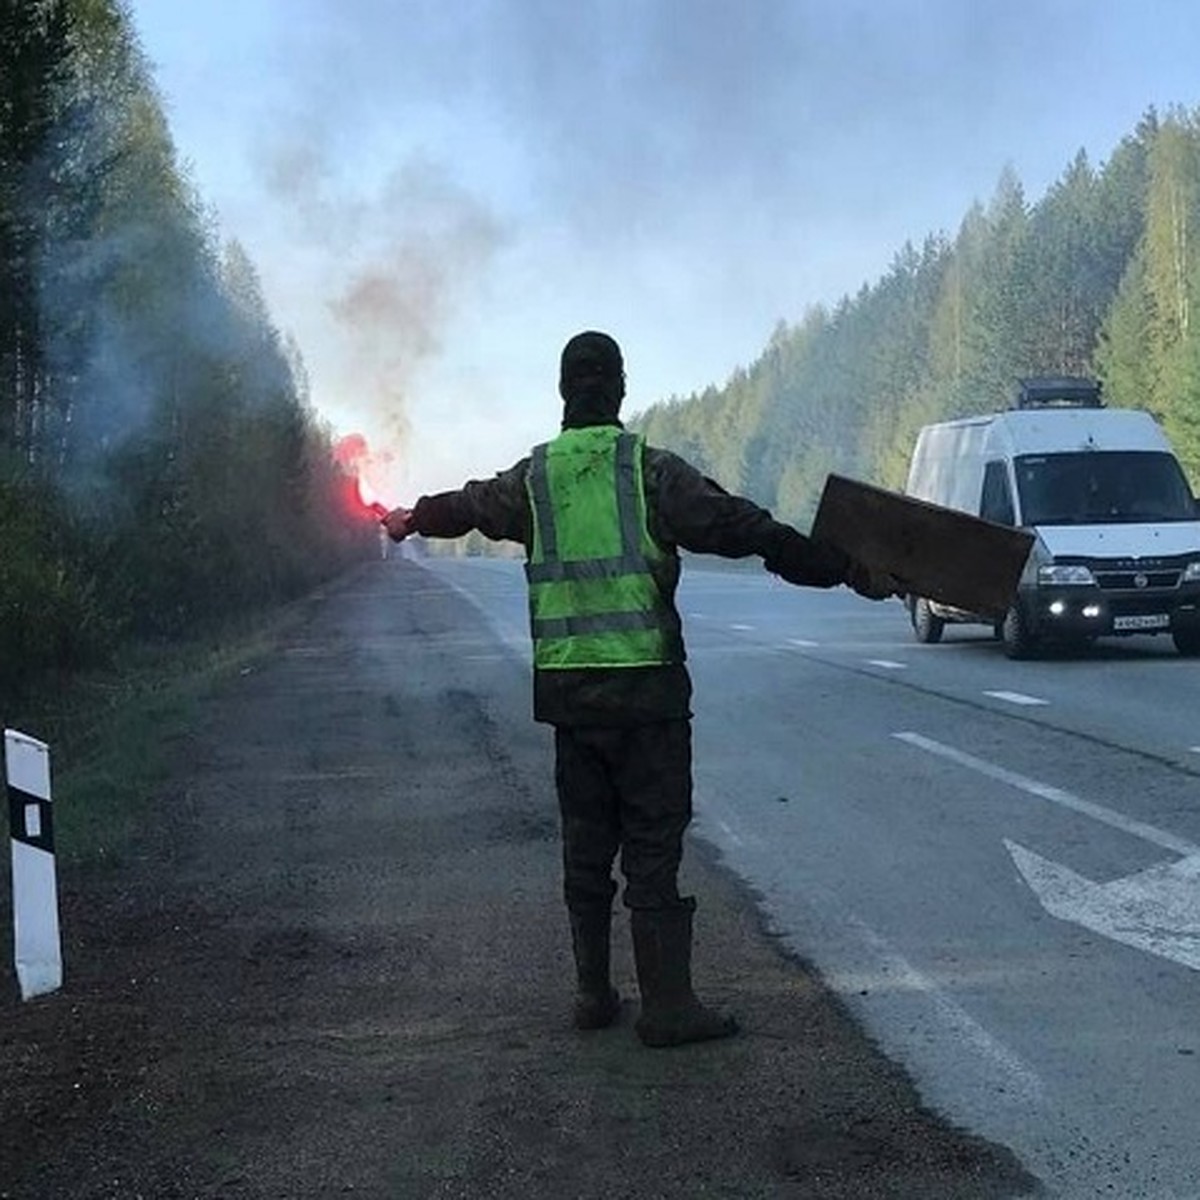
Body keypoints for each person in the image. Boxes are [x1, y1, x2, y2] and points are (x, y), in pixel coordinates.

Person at [383, 330, 895, 1048]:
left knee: (586, 846)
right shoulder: (650, 473)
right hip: (647, 693)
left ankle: (594, 993)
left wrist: (411, 517)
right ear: (618, 390)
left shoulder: (533, 479)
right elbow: (749, 530)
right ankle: (668, 1005)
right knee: (652, 846)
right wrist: (840, 567)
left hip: (571, 695)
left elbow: (464, 506)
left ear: (564, 394)